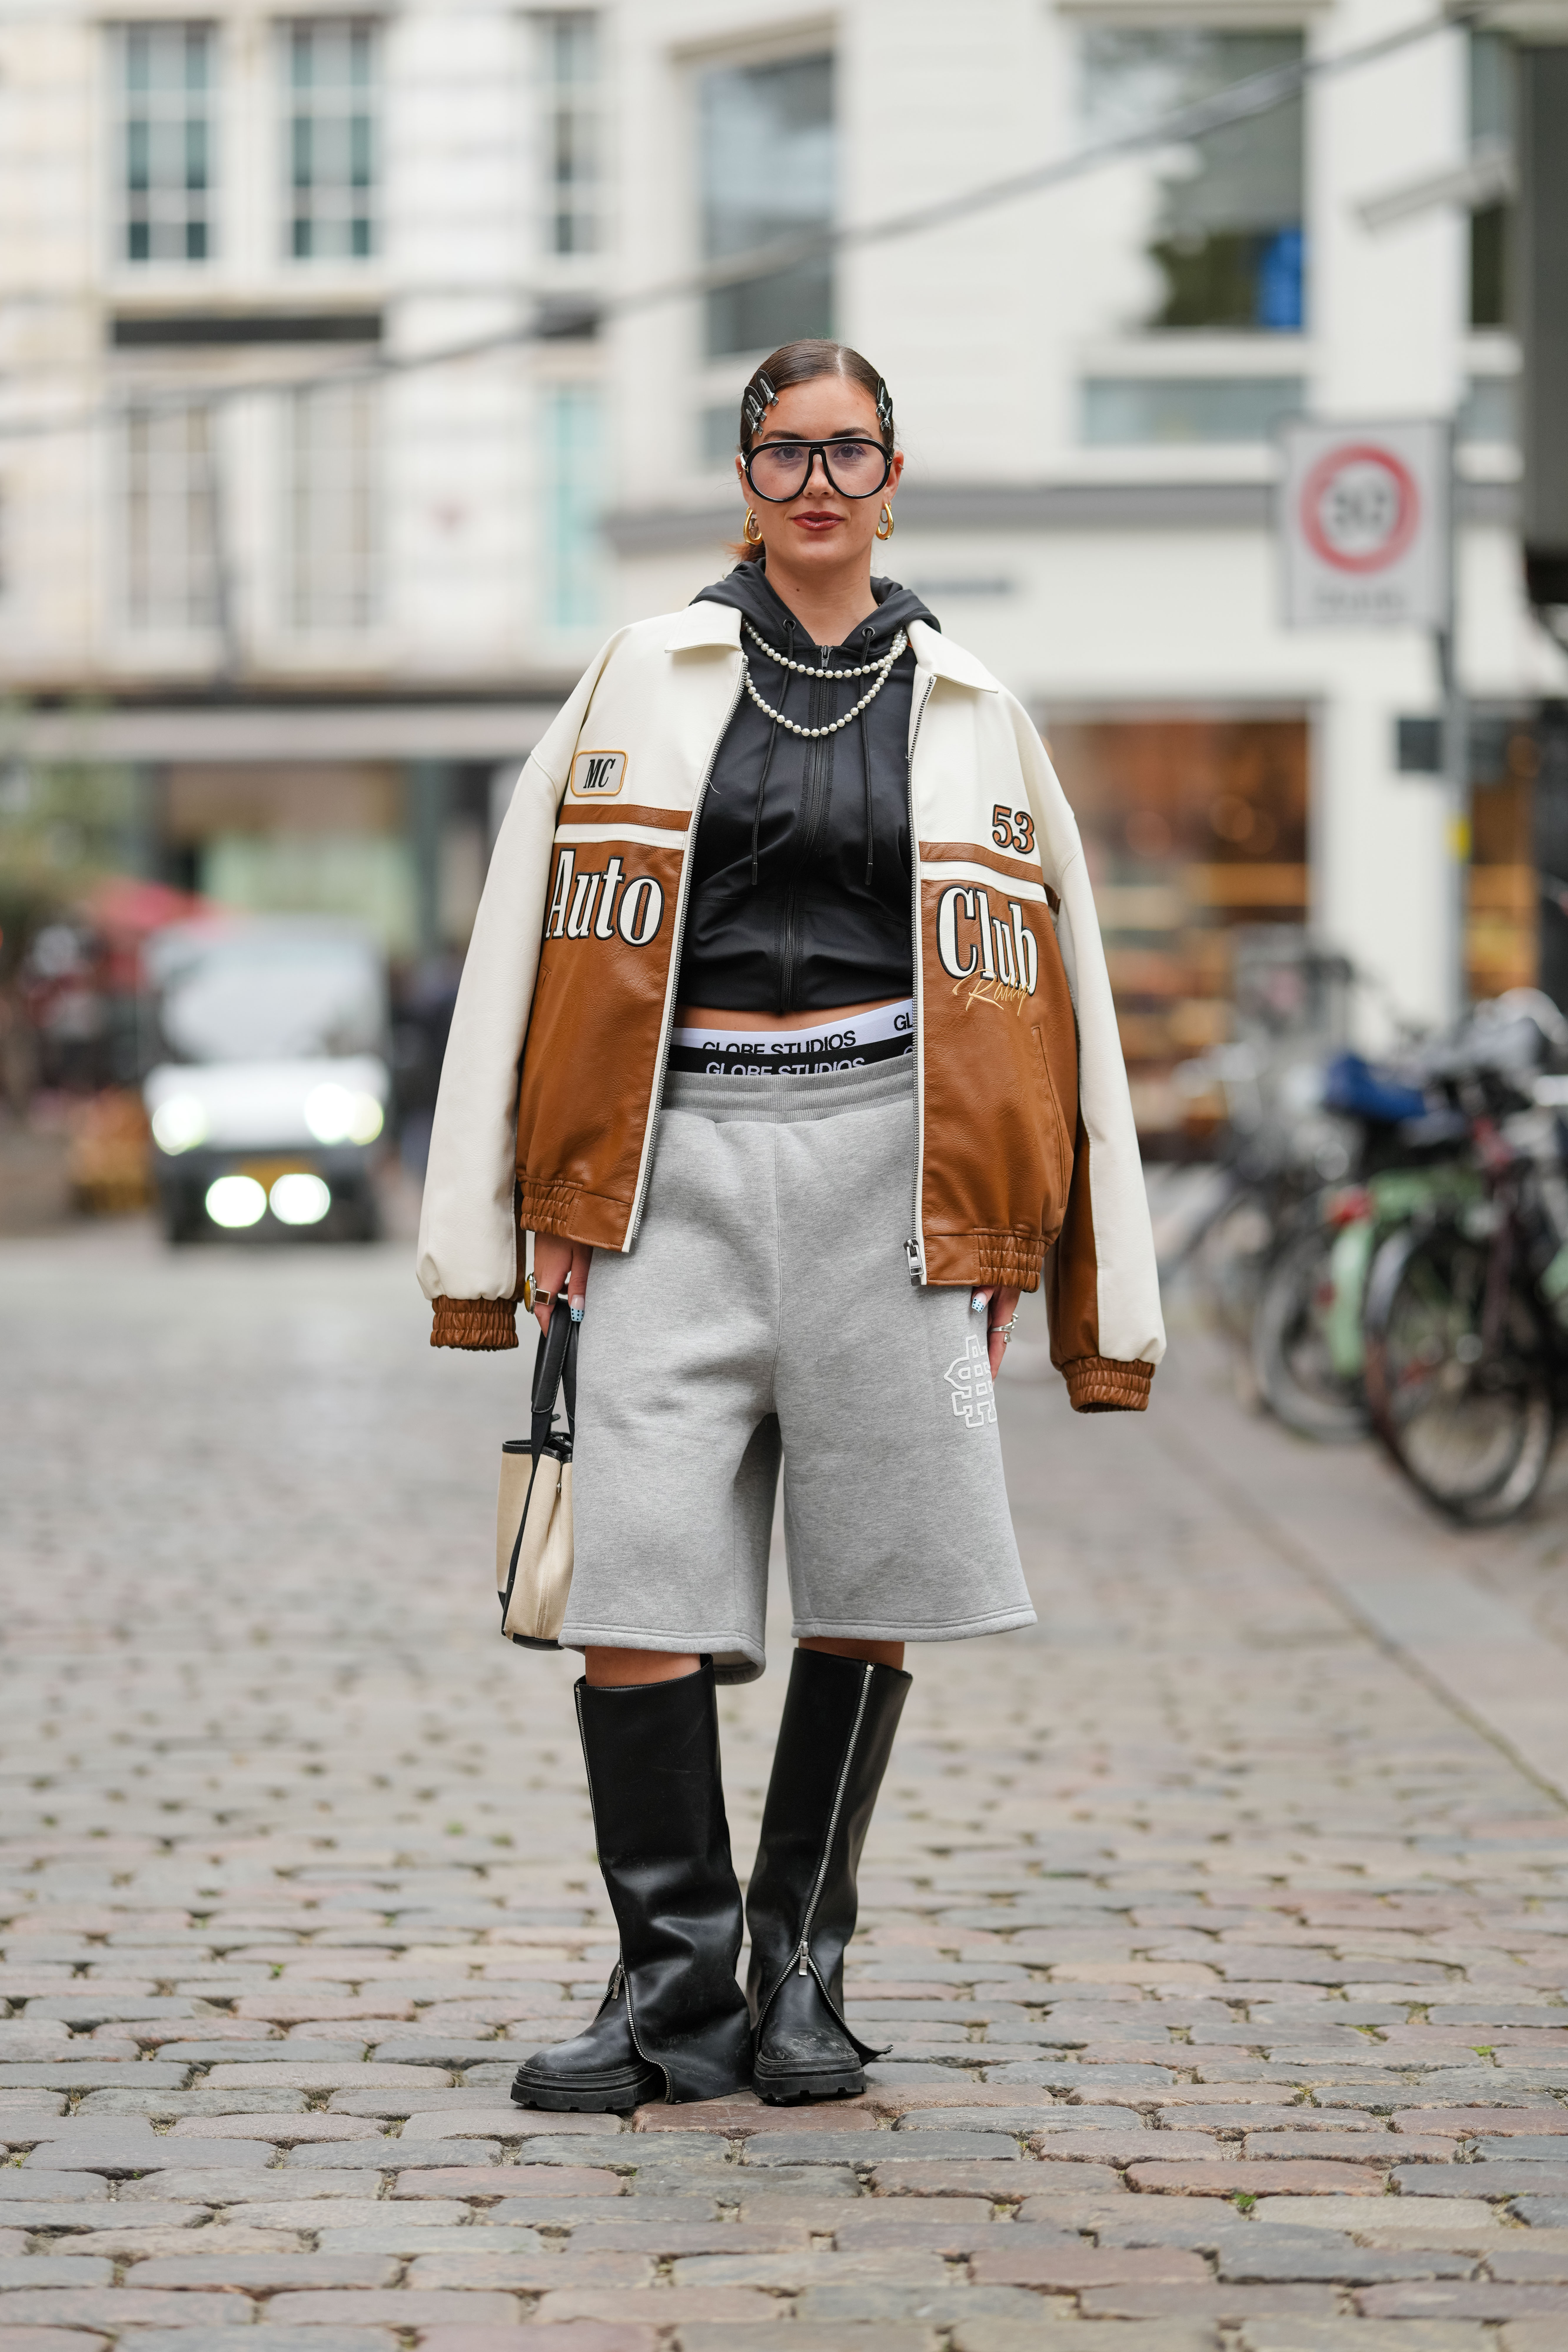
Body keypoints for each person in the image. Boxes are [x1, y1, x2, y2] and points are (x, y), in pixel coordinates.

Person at [417, 338, 1164, 2113]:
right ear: (739, 477)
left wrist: (1012, 1230)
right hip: (664, 1167)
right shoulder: (639, 675)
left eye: (846, 453)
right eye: (781, 453)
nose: (815, 484)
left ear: (895, 472)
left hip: (889, 1172)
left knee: (873, 1572)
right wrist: (531, 1200)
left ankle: (802, 1972)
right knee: (629, 1576)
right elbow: (523, 943)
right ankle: (667, 1990)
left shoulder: (972, 702)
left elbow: (1051, 996)